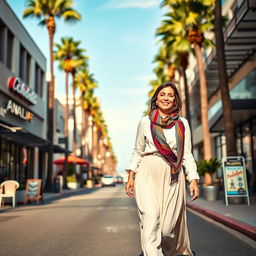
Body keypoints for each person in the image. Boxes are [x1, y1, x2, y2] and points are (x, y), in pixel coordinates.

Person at [125, 82, 199, 256]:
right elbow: (138, 150)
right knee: (150, 217)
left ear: (175, 100)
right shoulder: (145, 122)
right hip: (148, 171)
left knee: (166, 229)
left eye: (170, 95)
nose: (166, 98)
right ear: (156, 99)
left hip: (173, 174)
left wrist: (193, 179)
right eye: (162, 94)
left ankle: (170, 249)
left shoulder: (182, 123)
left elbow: (187, 153)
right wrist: (131, 176)